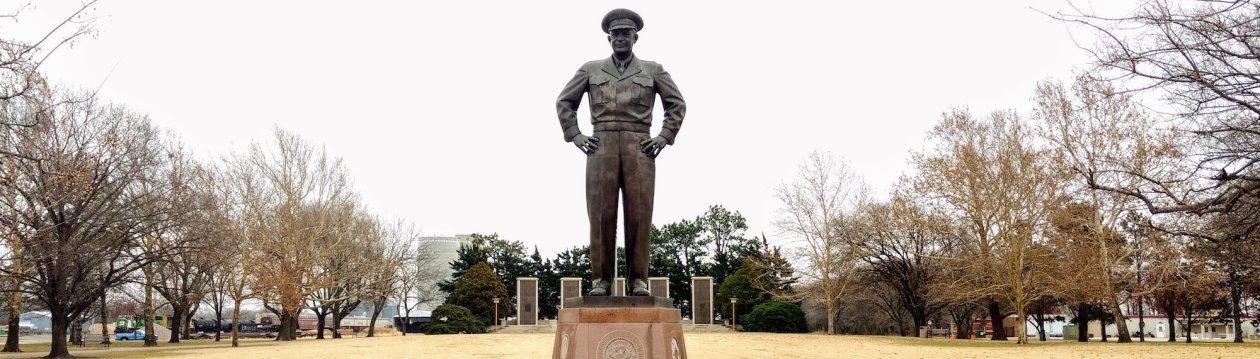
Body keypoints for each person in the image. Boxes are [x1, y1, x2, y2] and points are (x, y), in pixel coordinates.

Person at [555, 8, 686, 296]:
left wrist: (664, 136)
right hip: (601, 146)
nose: (620, 38)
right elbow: (564, 102)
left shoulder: (653, 70)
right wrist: (575, 134)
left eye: (626, 33)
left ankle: (638, 279)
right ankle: (601, 281)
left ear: (635, 37)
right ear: (608, 38)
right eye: (615, 34)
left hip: (639, 146)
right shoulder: (590, 69)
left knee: (639, 214)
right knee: (601, 215)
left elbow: (677, 104)